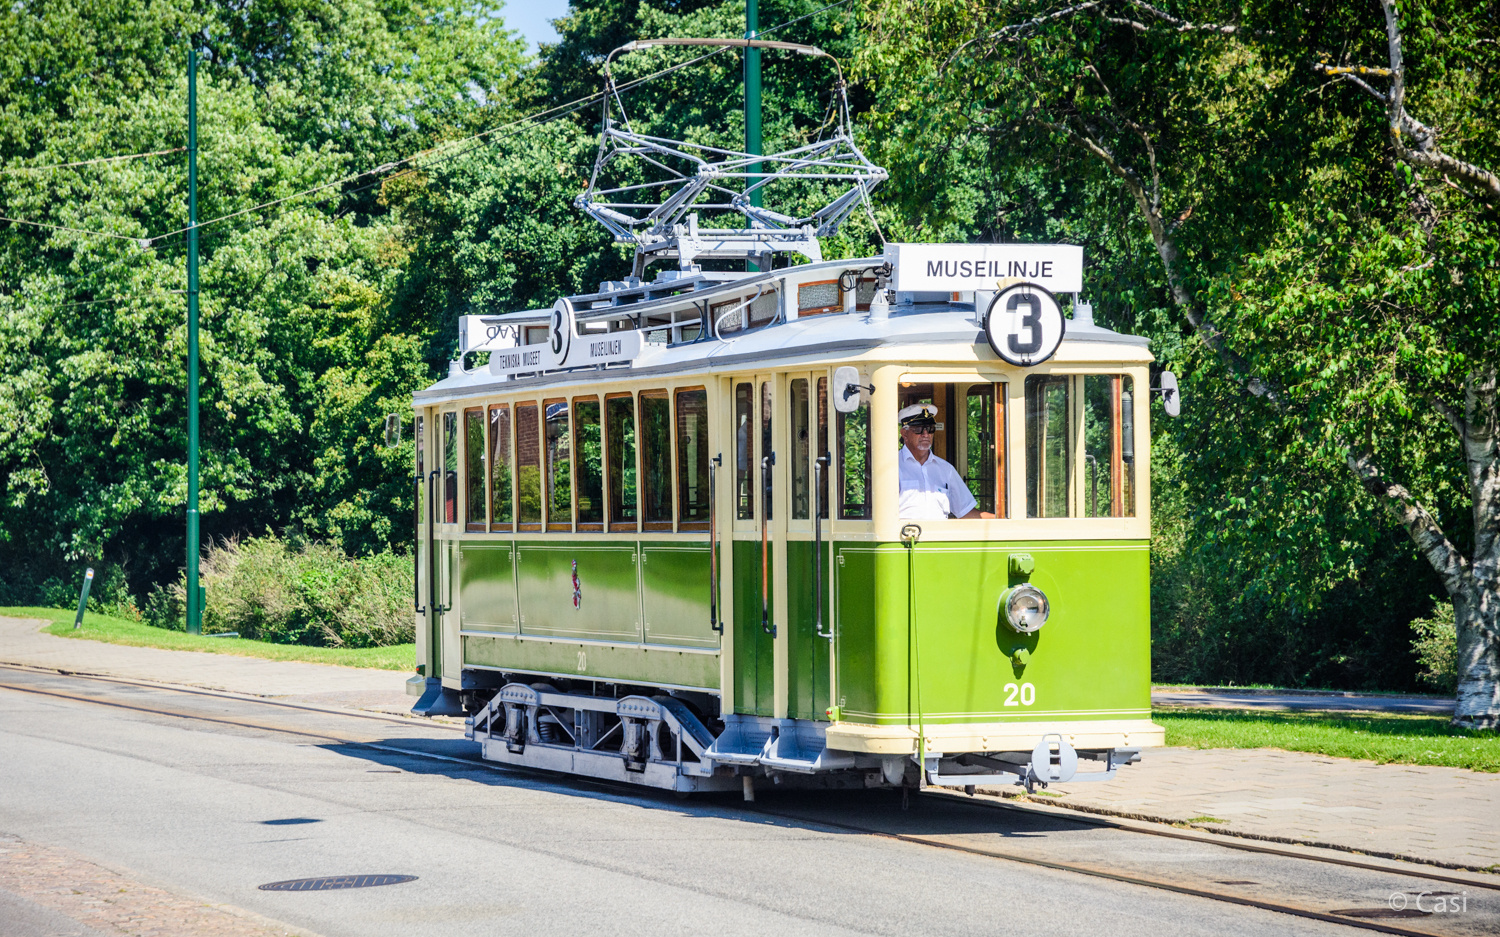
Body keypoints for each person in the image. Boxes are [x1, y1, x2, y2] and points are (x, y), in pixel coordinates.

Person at [897, 403, 994, 519]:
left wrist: (1001, 521)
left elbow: (965, 511)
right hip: (906, 535)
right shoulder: (894, 466)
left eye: (930, 429)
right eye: (918, 430)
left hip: (939, 536)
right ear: (904, 433)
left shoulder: (945, 469)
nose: (926, 434)